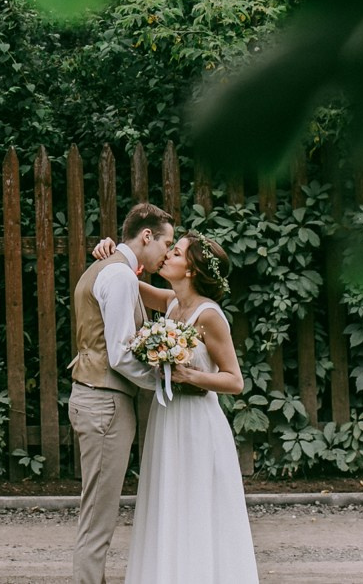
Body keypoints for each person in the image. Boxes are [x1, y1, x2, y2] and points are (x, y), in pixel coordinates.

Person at [92, 231, 260, 583]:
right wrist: (112, 252)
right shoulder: (171, 302)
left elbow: (234, 380)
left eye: (177, 253)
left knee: (195, 507)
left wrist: (188, 376)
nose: (167, 255)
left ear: (192, 270)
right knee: (168, 505)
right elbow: (127, 279)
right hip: (167, 418)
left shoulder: (209, 315)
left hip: (198, 423)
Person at [68, 202, 174, 584]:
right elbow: (120, 355)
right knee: (98, 518)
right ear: (146, 236)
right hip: (105, 403)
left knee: (97, 512)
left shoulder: (107, 266)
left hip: (95, 398)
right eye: (167, 243)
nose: (166, 253)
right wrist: (165, 381)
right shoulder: (120, 276)